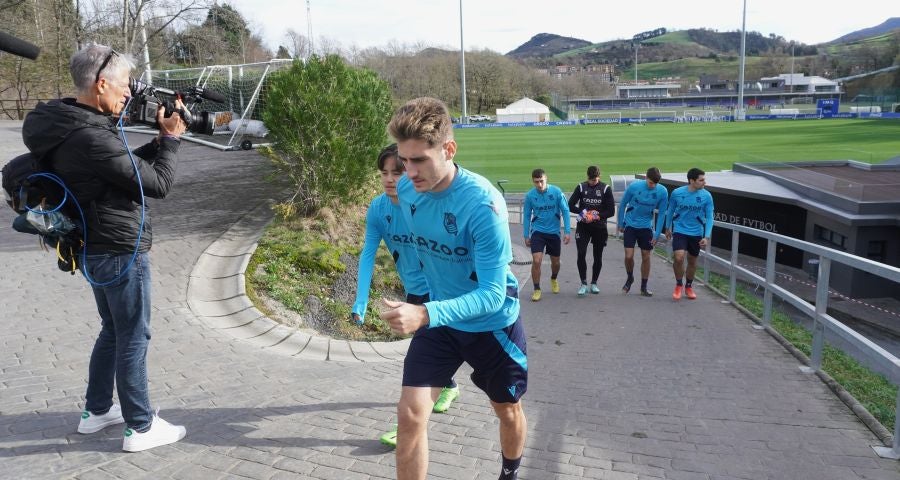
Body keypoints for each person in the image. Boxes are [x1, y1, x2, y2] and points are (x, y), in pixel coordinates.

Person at [21, 44, 187, 452]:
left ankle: (97, 412)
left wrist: (159, 140)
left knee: (113, 330)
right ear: (101, 84)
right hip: (119, 248)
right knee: (133, 335)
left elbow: (120, 166)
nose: (129, 93)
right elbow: (157, 185)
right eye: (124, 85)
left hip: (95, 245)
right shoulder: (90, 135)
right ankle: (142, 427)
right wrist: (169, 141)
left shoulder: (68, 125)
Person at [380, 97, 527, 480]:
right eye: (403, 160)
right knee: (410, 414)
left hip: (491, 326)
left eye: (419, 160)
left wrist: (425, 312)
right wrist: (419, 301)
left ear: (449, 149)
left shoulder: (483, 206)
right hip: (441, 322)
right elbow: (425, 255)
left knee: (506, 410)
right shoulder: (410, 191)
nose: (408, 173)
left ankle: (509, 473)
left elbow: (493, 294)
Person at [350, 144, 460, 448]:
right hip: (415, 292)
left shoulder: (427, 203)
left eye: (396, 172)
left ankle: (421, 412)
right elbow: (368, 255)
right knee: (426, 357)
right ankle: (435, 396)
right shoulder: (378, 209)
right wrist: (360, 301)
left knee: (434, 356)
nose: (388, 179)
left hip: (446, 289)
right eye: (384, 172)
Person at [664, 167, 715, 301]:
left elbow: (710, 217)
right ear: (692, 181)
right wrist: (667, 227)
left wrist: (706, 236)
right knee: (679, 257)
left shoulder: (707, 196)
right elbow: (670, 211)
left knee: (692, 261)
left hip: (696, 233)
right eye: (701, 180)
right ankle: (678, 284)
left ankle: (689, 286)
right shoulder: (677, 193)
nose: (705, 182)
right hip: (680, 230)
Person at [616, 167, 668, 297]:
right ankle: (630, 277)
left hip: (646, 227)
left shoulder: (662, 191)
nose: (653, 185)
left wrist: (656, 234)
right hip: (630, 224)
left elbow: (662, 214)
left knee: (646, 255)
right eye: (651, 182)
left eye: (655, 183)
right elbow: (622, 204)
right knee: (629, 256)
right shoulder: (634, 187)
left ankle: (644, 286)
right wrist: (620, 222)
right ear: (646, 178)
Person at [522, 168, 571, 302]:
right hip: (538, 232)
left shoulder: (556, 192)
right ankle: (537, 289)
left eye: (541, 181)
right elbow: (526, 216)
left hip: (553, 232)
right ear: (533, 181)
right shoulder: (530, 196)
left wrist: (567, 231)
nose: (539, 184)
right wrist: (526, 235)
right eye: (536, 182)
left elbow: (565, 211)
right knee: (536, 260)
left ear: (546, 179)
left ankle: (553, 278)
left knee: (555, 262)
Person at [567, 165, 615, 297]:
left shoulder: (605, 189)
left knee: (597, 256)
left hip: (599, 227)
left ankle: (594, 283)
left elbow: (611, 211)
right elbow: (570, 205)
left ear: (599, 177)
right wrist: (583, 213)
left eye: (594, 180)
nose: (592, 182)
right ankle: (583, 283)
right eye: (590, 180)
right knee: (581, 253)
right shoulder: (581, 187)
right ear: (587, 177)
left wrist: (596, 216)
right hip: (583, 226)